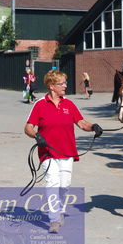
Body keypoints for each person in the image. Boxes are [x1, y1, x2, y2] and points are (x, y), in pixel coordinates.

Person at [24, 69, 103, 233]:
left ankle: (58, 210)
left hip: (67, 152)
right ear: (52, 86)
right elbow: (28, 127)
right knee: (53, 183)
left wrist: (93, 127)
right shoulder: (40, 104)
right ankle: (54, 220)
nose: (65, 86)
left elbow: (81, 122)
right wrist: (36, 136)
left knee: (64, 185)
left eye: (65, 83)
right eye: (62, 83)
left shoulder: (69, 104)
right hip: (47, 153)